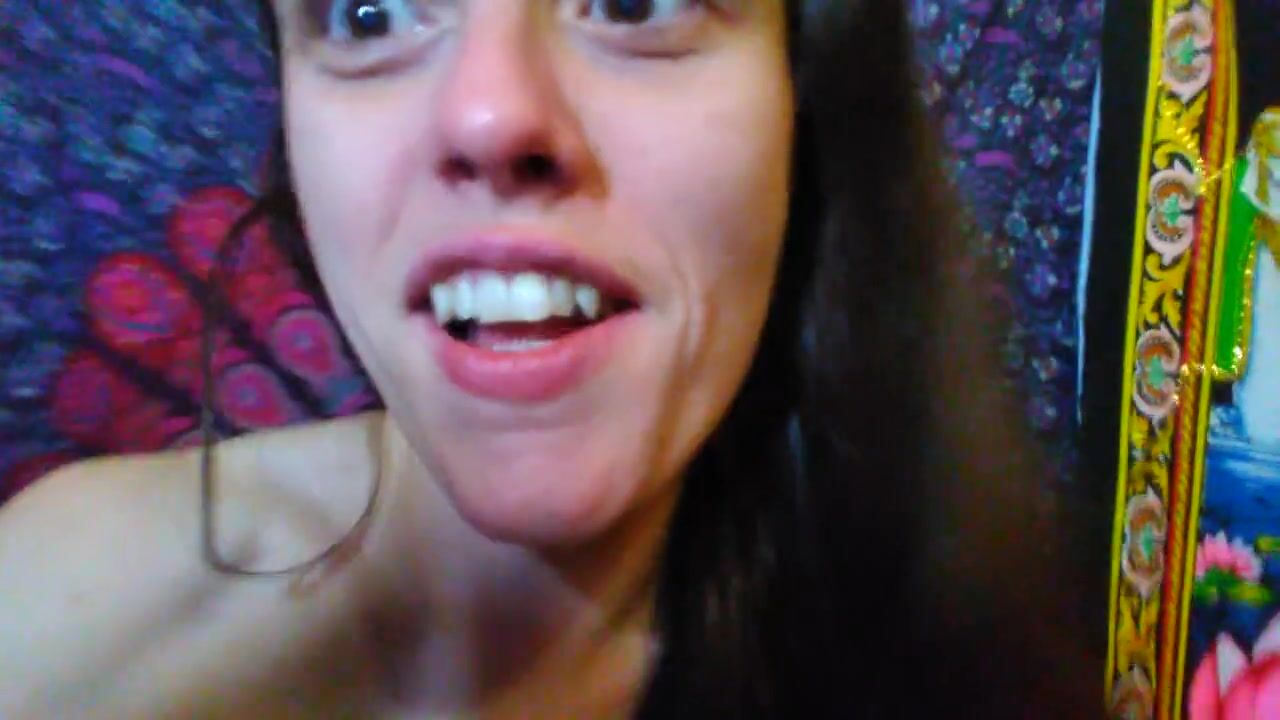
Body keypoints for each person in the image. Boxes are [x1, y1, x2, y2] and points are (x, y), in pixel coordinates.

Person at [0, 0, 1099, 717]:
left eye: (634, 4)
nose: (489, 116)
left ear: (802, 109)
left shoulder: (953, 660)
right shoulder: (53, 608)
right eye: (368, 13)